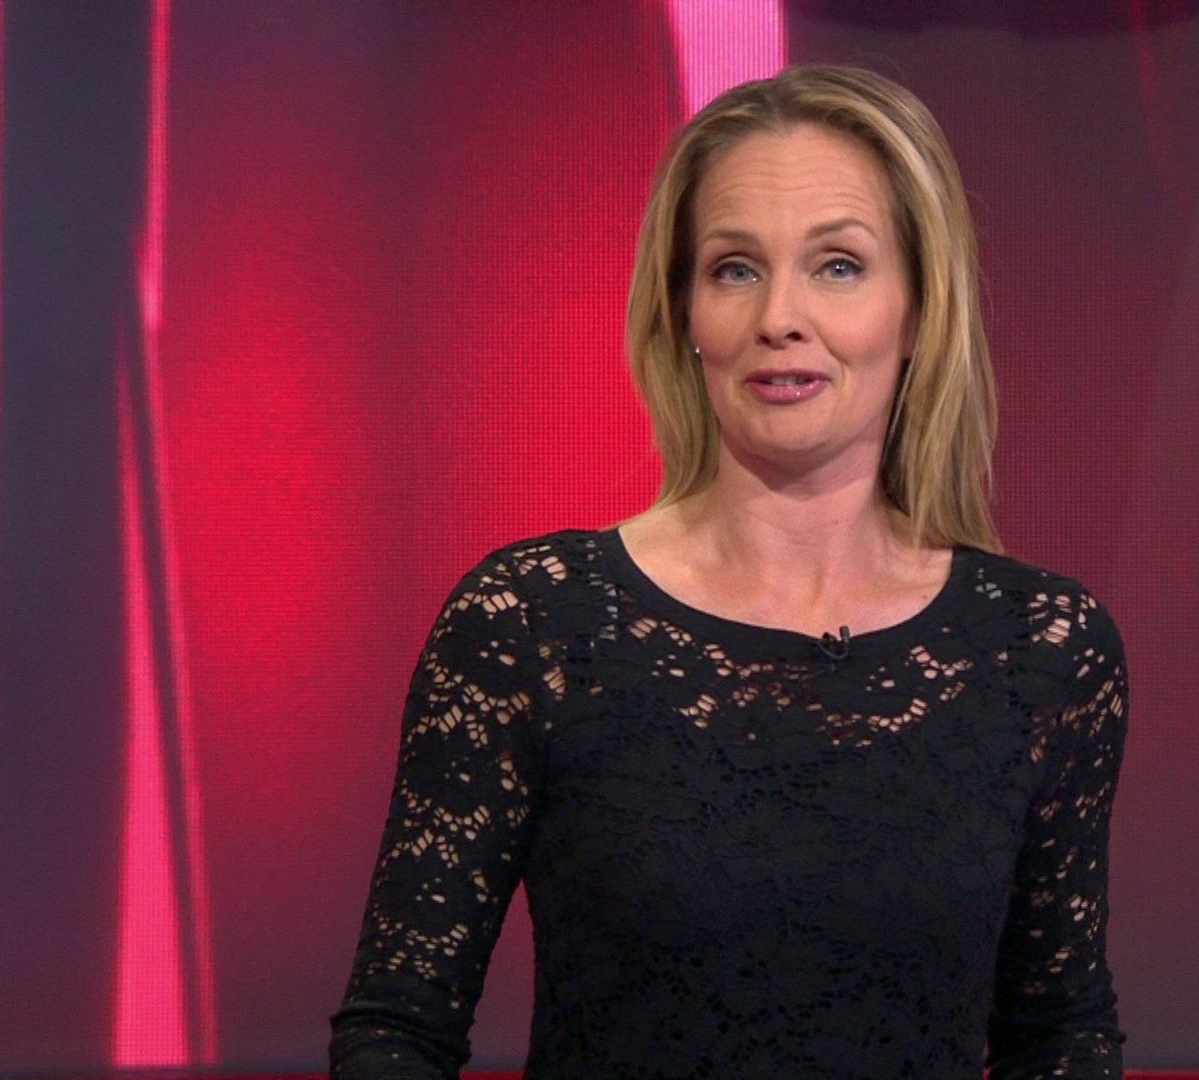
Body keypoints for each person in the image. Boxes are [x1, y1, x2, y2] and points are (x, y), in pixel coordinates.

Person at [329, 62, 1130, 1079]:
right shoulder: (533, 622)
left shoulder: (1042, 651)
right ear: (683, 315)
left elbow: (1059, 1035)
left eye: (837, 265)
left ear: (921, 310)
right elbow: (395, 1030)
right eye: (735, 269)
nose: (779, 317)